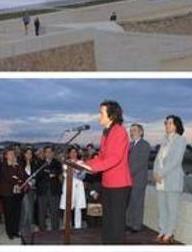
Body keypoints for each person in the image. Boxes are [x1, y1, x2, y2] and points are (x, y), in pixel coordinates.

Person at [80, 100, 132, 244]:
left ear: (112, 115)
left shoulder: (119, 131)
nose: (98, 116)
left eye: (101, 113)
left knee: (116, 224)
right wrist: (84, 164)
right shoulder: (106, 133)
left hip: (120, 185)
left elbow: (114, 158)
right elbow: (102, 157)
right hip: (108, 184)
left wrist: (92, 168)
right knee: (108, 221)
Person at [154, 115, 187, 244]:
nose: (167, 125)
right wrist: (156, 173)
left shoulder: (180, 140)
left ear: (176, 125)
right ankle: (162, 230)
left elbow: (176, 161)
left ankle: (169, 233)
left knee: (172, 208)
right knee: (162, 208)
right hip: (161, 180)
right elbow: (158, 159)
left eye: (169, 123)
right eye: (166, 123)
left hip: (172, 179)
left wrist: (161, 173)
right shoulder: (164, 140)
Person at [0, 148, 28, 241]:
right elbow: (8, 177)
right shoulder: (3, 165)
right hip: (7, 193)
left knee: (17, 213)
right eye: (10, 154)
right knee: (9, 214)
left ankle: (15, 231)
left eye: (13, 154)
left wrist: (17, 171)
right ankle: (9, 232)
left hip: (18, 193)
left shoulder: (18, 165)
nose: (12, 156)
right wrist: (18, 179)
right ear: (6, 156)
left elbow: (24, 175)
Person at [126, 123, 151, 233]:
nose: (132, 133)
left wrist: (127, 173)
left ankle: (136, 226)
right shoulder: (130, 145)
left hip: (138, 180)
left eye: (134, 130)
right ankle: (128, 224)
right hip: (128, 180)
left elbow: (140, 162)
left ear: (141, 132)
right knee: (130, 203)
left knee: (137, 203)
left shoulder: (145, 145)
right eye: (131, 131)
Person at [61, 147, 89, 229]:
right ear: (69, 154)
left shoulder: (81, 162)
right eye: (72, 152)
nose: (74, 154)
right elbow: (66, 174)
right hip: (69, 186)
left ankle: (78, 227)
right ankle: (67, 227)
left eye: (75, 152)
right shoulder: (66, 163)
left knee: (78, 207)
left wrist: (77, 172)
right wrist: (77, 172)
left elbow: (83, 175)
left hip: (79, 187)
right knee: (68, 207)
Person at [37, 147, 63, 231]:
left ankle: (55, 230)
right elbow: (39, 175)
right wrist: (49, 173)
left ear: (53, 153)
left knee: (54, 212)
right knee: (42, 212)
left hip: (54, 191)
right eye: (47, 152)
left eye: (50, 152)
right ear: (44, 153)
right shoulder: (39, 163)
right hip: (42, 191)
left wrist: (46, 172)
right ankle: (42, 230)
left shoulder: (57, 163)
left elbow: (56, 172)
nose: (48, 154)